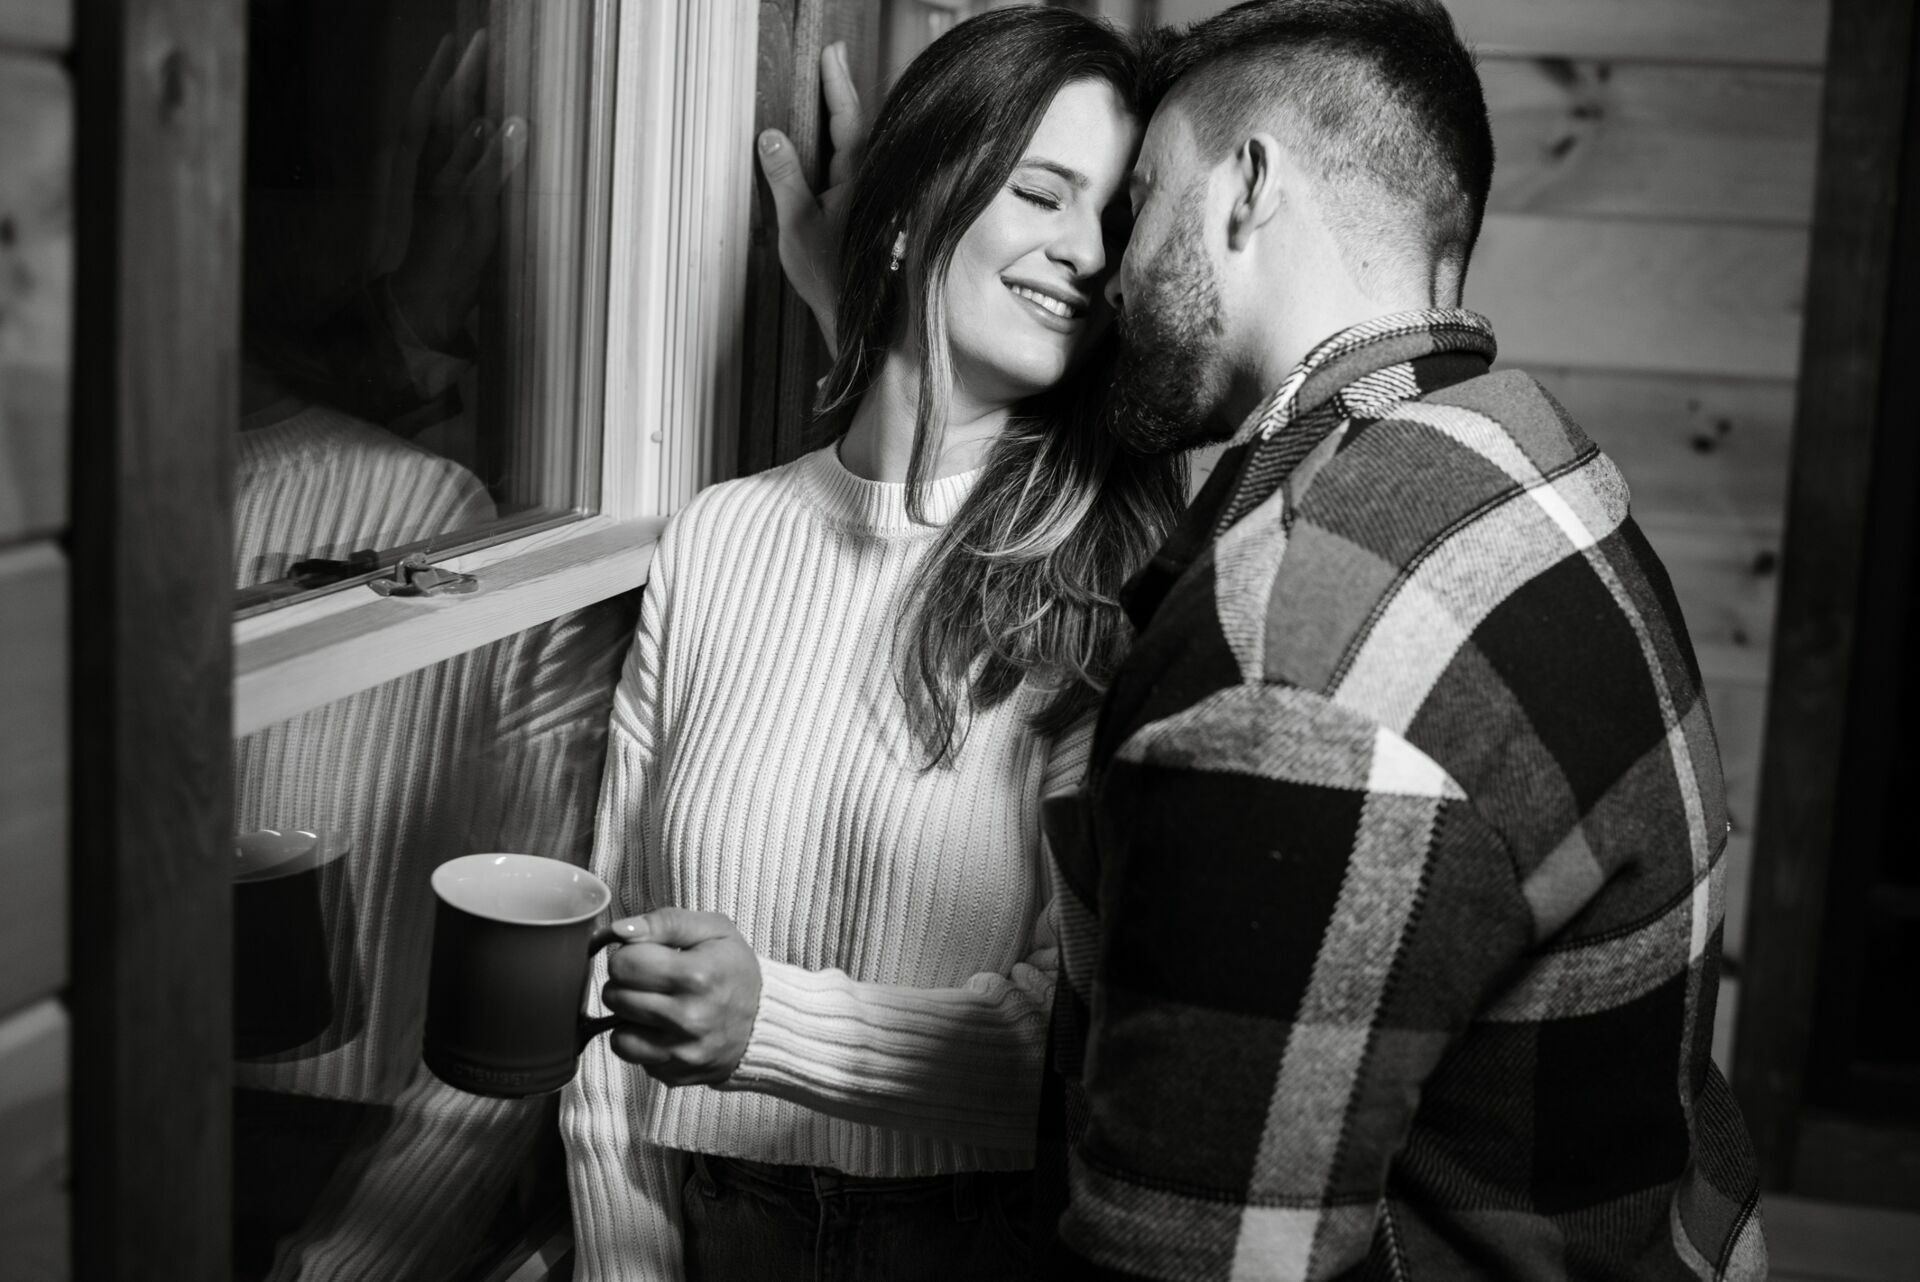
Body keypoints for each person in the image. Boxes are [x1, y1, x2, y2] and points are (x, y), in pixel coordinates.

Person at [1020, 1, 1763, 1276]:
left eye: (1142, 198)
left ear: (1244, 189)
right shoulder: (1543, 471)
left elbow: (1192, 1253)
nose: (1110, 268)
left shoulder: (1297, 652)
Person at [558, 8, 1187, 1280]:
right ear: (910, 206)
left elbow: (1082, 1047)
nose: (1083, 254)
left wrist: (772, 1023)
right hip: (703, 1222)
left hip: (967, 1247)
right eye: (1041, 193)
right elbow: (603, 973)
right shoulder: (718, 539)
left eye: (1113, 222)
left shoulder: (1109, 586)